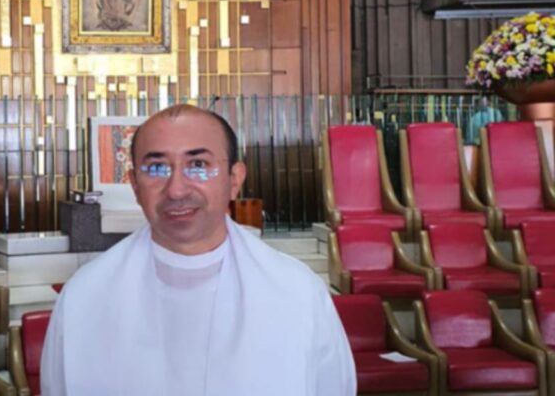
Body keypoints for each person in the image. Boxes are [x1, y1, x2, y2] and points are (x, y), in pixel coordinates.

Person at [40, 104, 356, 396]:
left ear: (234, 180)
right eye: (156, 168)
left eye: (198, 164)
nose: (176, 189)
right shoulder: (86, 296)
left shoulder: (297, 292)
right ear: (135, 185)